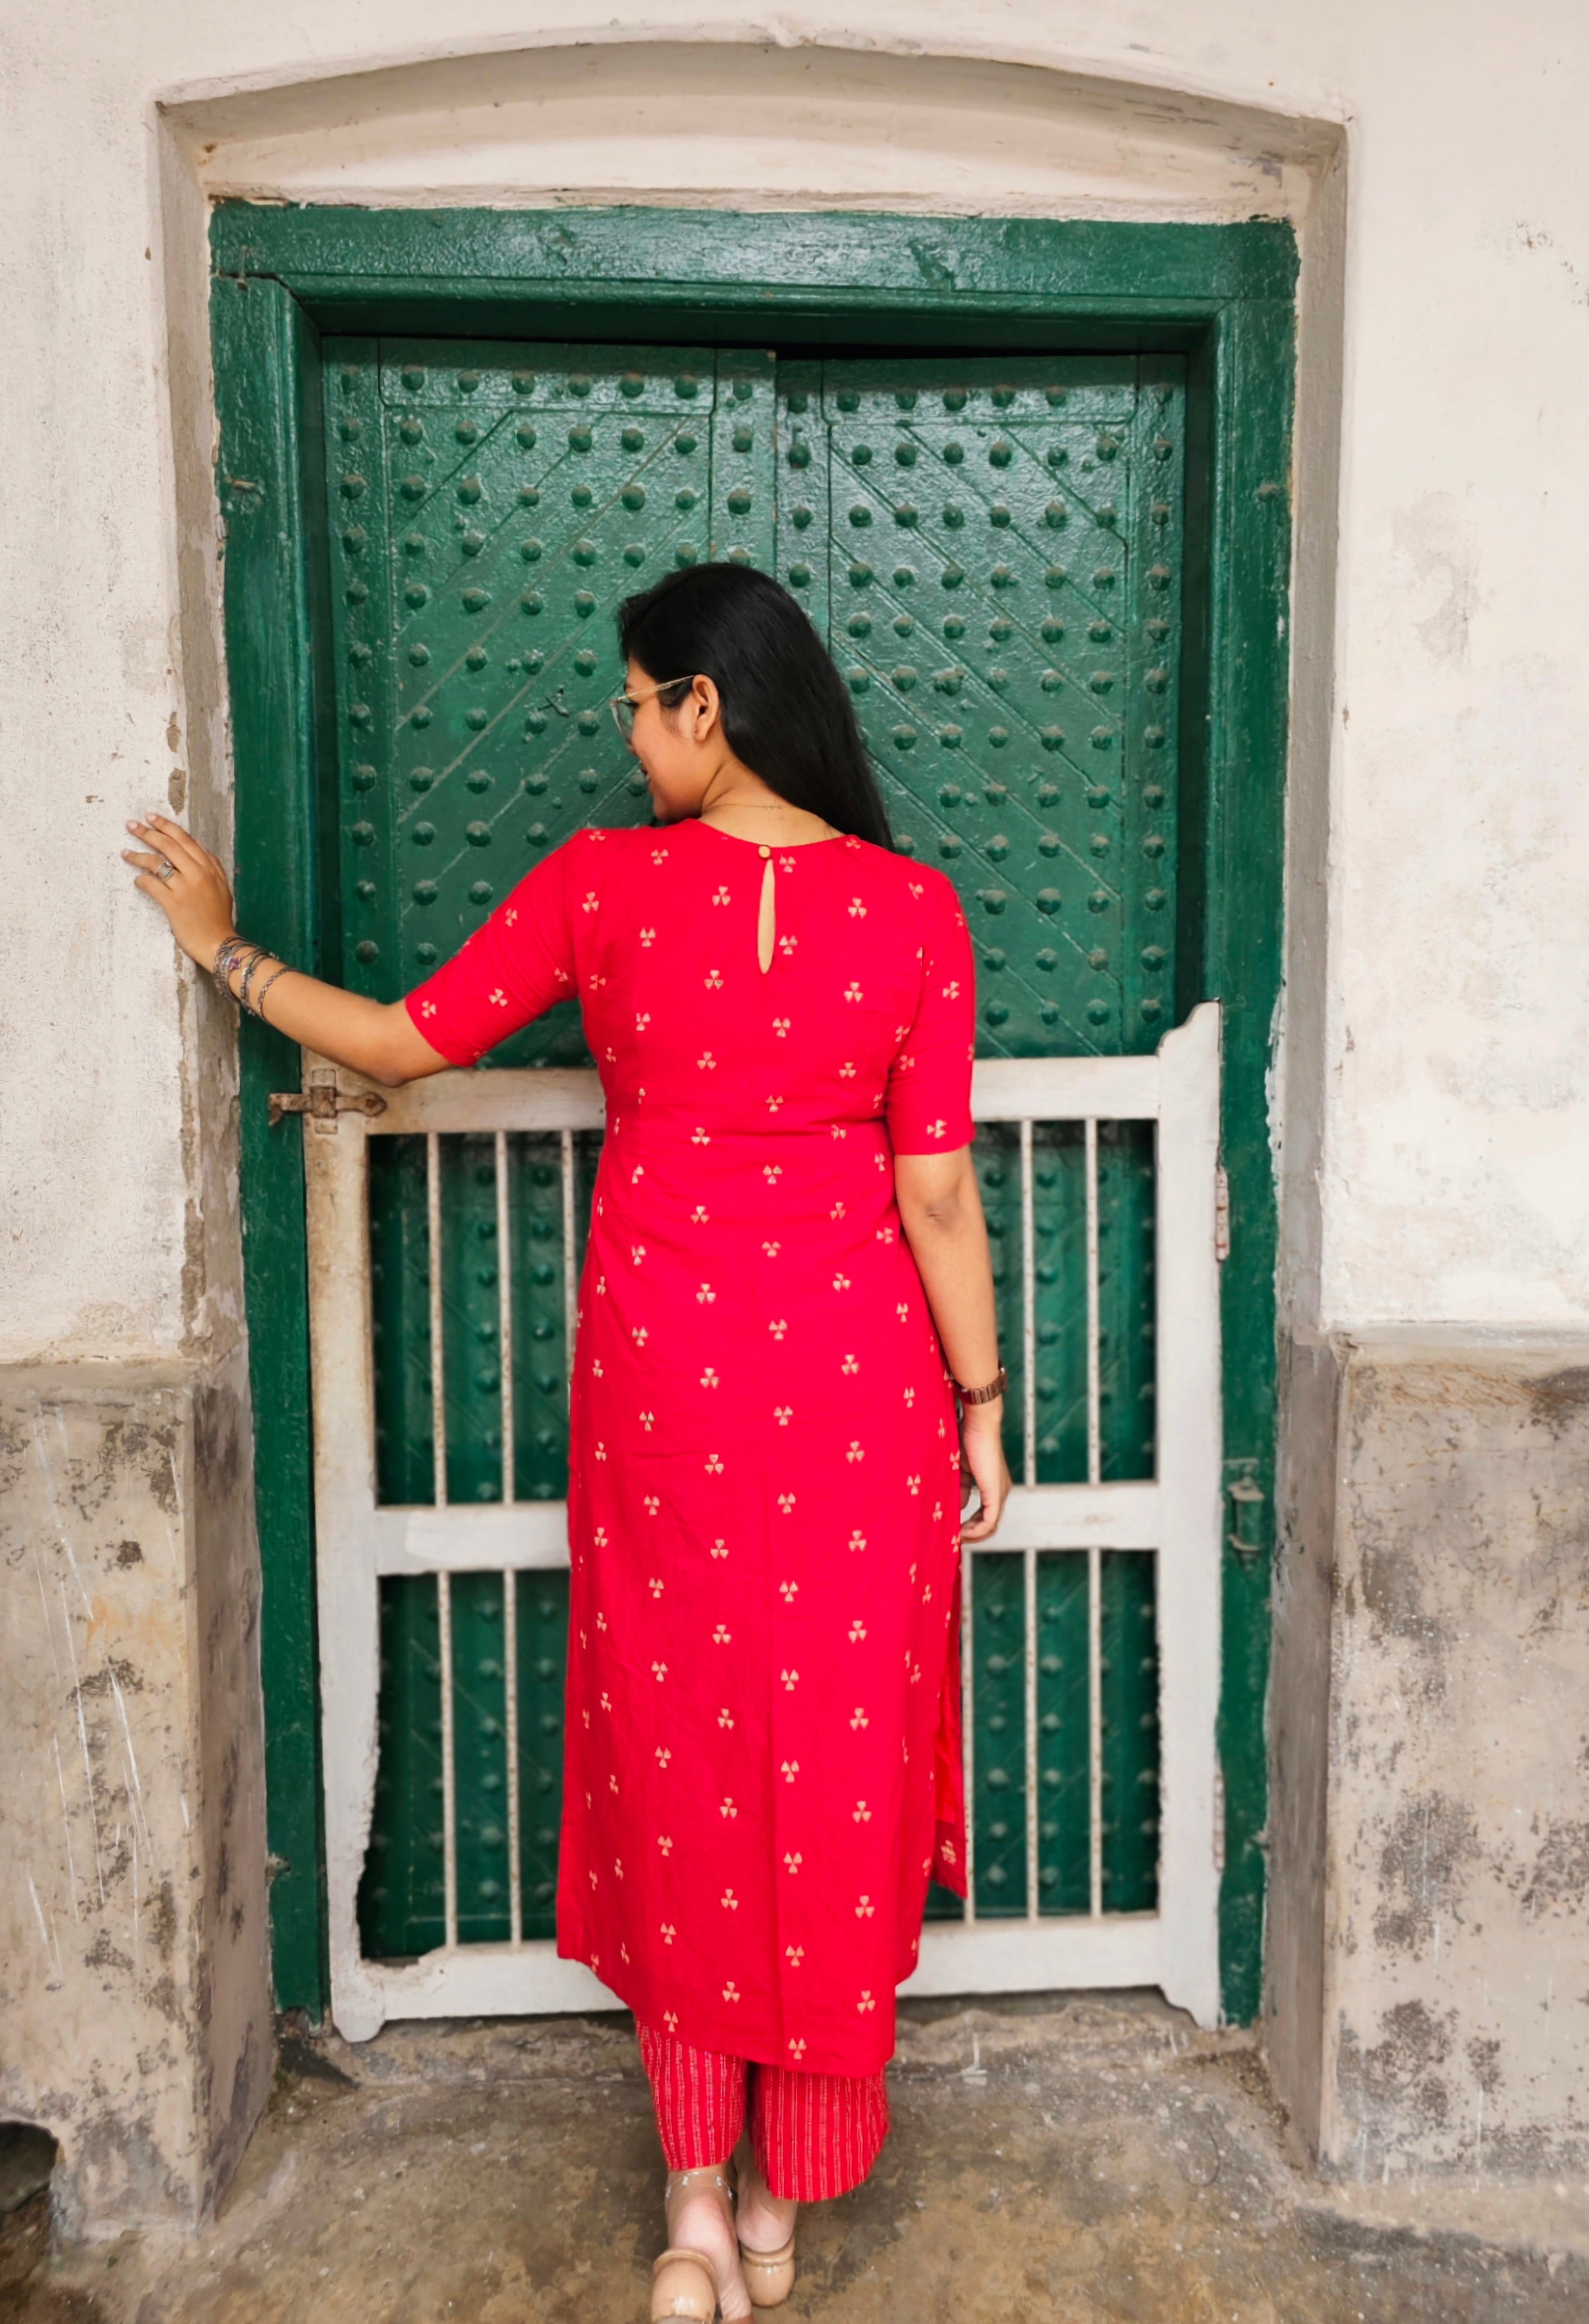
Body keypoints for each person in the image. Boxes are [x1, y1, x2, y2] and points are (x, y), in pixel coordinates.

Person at [124, 562, 1010, 2322]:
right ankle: (776, 2203)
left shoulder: (604, 891)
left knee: (682, 1765)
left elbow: (402, 1044)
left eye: (632, 701)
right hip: (857, 1399)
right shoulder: (914, 911)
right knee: (831, 1768)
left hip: (666, 1395)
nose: (623, 735)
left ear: (704, 704)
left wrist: (220, 947)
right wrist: (981, 1406)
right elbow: (933, 1193)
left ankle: (689, 2212)